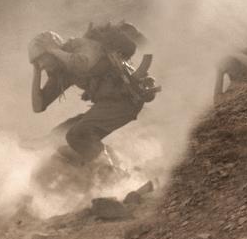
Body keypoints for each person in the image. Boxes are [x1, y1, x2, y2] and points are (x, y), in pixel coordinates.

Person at [30, 22, 160, 166]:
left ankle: (111, 171)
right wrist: (36, 71)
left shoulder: (81, 46)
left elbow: (83, 64)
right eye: (37, 62)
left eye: (42, 58)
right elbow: (38, 106)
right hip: (109, 104)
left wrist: (54, 50)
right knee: (59, 134)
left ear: (53, 50)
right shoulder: (62, 72)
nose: (42, 65)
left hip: (125, 100)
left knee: (78, 134)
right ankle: (110, 161)